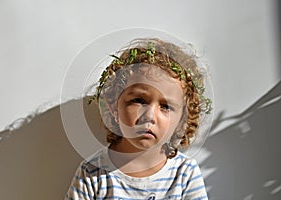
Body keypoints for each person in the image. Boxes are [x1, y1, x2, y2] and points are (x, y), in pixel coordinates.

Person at [65, 38, 212, 200]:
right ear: (114, 106)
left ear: (182, 121)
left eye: (166, 107)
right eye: (139, 101)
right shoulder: (92, 174)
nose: (149, 116)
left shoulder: (185, 174)